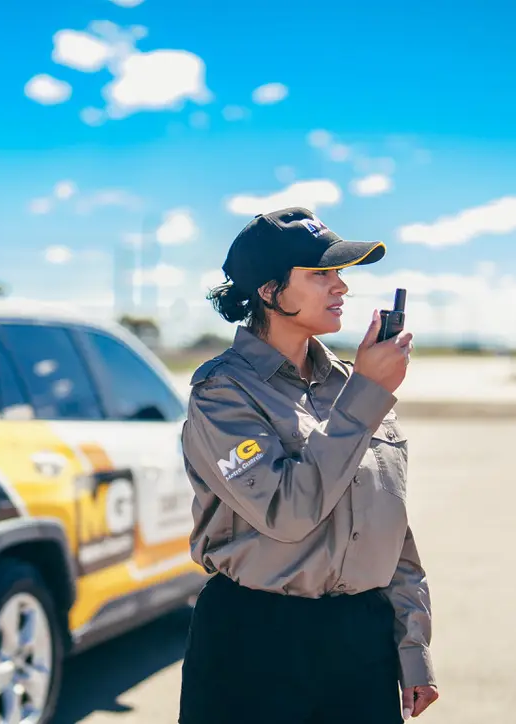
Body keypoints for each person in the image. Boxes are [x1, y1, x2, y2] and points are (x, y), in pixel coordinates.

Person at [177, 207, 438, 724]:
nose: (340, 286)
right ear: (271, 292)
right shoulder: (222, 393)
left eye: (340, 273)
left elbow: (388, 525)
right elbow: (287, 511)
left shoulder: (351, 383)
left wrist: (413, 647)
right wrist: (369, 393)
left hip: (361, 647)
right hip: (255, 645)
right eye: (320, 274)